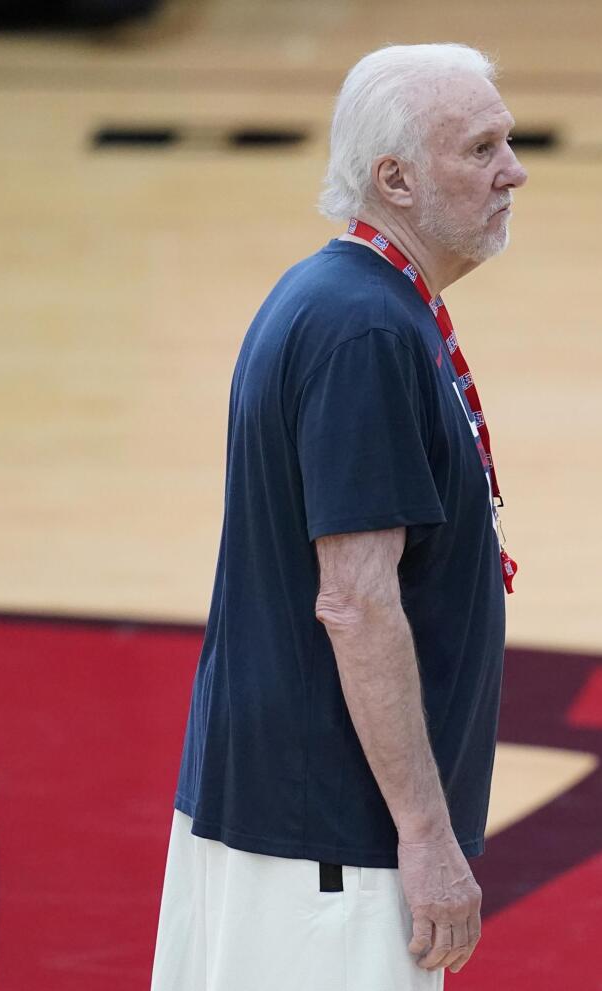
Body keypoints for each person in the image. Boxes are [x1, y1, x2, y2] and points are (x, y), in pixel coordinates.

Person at [151, 42, 527, 991]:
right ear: (394, 178)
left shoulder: (347, 299)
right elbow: (356, 603)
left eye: (507, 143)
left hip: (301, 821)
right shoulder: (363, 329)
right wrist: (428, 838)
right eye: (480, 149)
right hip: (331, 846)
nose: (512, 171)